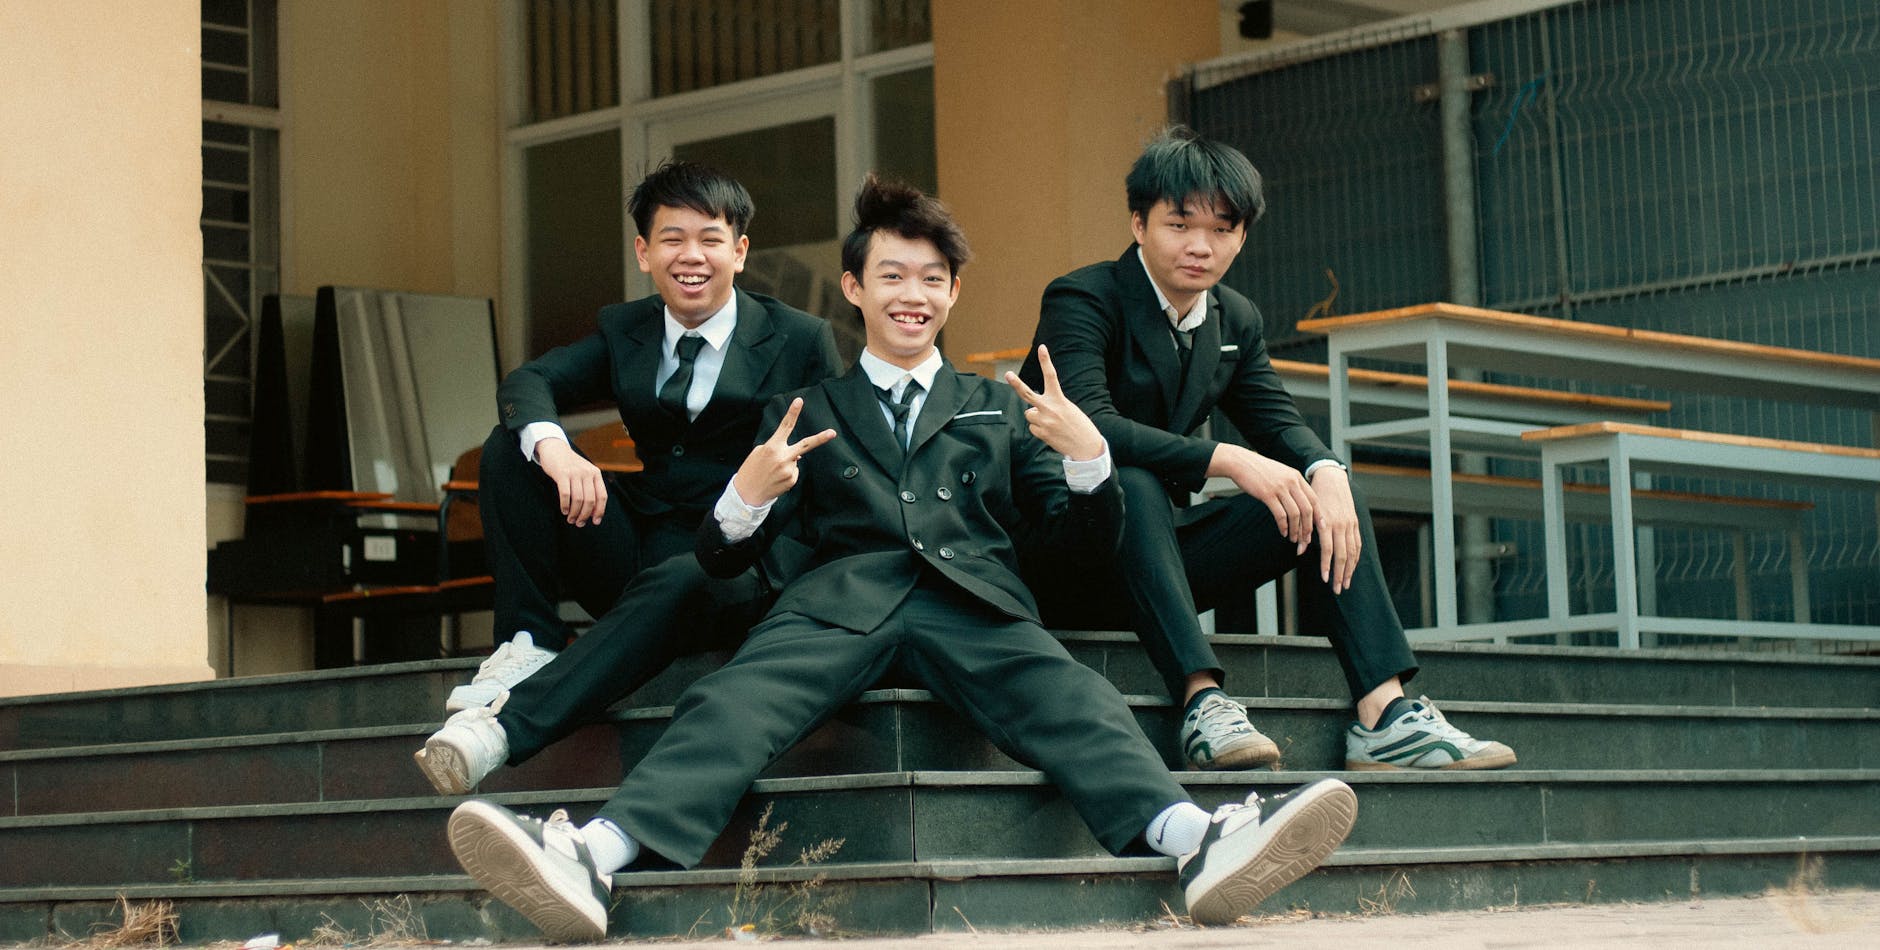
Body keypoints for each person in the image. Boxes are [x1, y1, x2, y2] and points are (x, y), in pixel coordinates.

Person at [436, 177, 1358, 941]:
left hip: (975, 600)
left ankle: (1200, 840)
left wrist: (1089, 466)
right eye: (891, 276)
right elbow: (720, 562)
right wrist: (743, 498)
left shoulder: (1003, 408)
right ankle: (591, 857)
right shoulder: (806, 407)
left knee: (1076, 699)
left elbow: (1082, 548)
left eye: (930, 278)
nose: (911, 295)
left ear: (953, 294)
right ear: (853, 288)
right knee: (730, 703)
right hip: (835, 603)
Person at [1019, 127, 1515, 773]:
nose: (1201, 246)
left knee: (1320, 494)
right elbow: (1089, 423)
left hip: (1153, 563)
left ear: (1243, 236)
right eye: (1180, 224)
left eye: (1223, 229)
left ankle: (1384, 714)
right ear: (1139, 224)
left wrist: (1326, 471)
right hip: (1064, 555)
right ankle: (1203, 704)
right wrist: (1226, 459)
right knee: (1131, 480)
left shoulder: (1233, 318)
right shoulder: (1084, 298)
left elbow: (1277, 421)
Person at [435, 160, 842, 717]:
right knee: (514, 446)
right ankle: (529, 641)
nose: (691, 257)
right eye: (672, 239)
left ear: (740, 252)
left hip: (735, 567)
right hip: (633, 549)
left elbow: (829, 471)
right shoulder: (627, 328)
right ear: (644, 252)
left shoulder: (800, 338)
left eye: (710, 240)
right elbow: (529, 382)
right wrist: (558, 451)